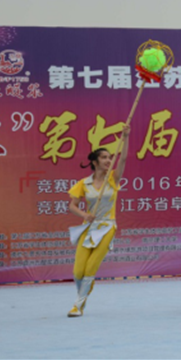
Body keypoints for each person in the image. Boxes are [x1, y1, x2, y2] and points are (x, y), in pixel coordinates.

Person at [66, 124, 131, 317]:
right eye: (104, 157)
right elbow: (72, 206)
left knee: (91, 267)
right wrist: (84, 215)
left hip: (107, 226)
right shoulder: (83, 184)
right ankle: (83, 296)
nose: (108, 160)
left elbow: (123, 158)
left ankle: (78, 305)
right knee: (78, 271)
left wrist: (126, 137)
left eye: (110, 157)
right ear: (94, 162)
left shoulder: (113, 179)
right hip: (88, 227)